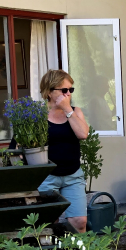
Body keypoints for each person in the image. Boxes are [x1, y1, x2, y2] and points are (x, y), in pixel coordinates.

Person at [36, 70, 90, 233]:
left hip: (72, 175)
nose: (68, 94)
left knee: (79, 221)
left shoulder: (75, 112)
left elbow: (83, 134)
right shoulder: (38, 116)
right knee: (47, 223)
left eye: (70, 90)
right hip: (47, 176)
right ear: (49, 92)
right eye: (64, 90)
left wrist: (67, 110)